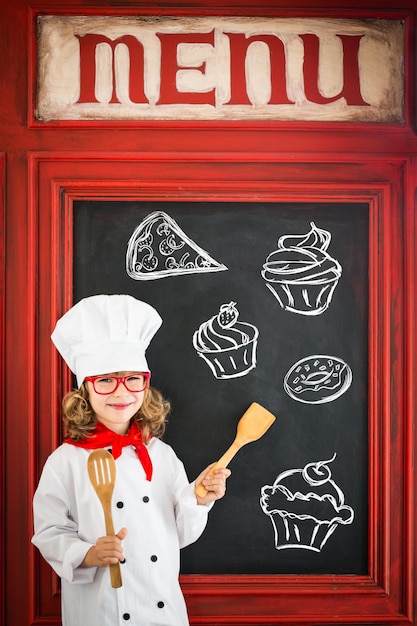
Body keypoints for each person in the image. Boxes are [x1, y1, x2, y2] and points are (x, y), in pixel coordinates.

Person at [32, 294, 231, 626]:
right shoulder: (65, 462)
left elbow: (179, 535)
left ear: (144, 382)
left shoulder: (162, 456)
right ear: (85, 389)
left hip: (164, 613)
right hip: (101, 613)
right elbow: (49, 531)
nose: (121, 393)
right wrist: (87, 554)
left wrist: (198, 499)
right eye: (106, 380)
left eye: (132, 379)